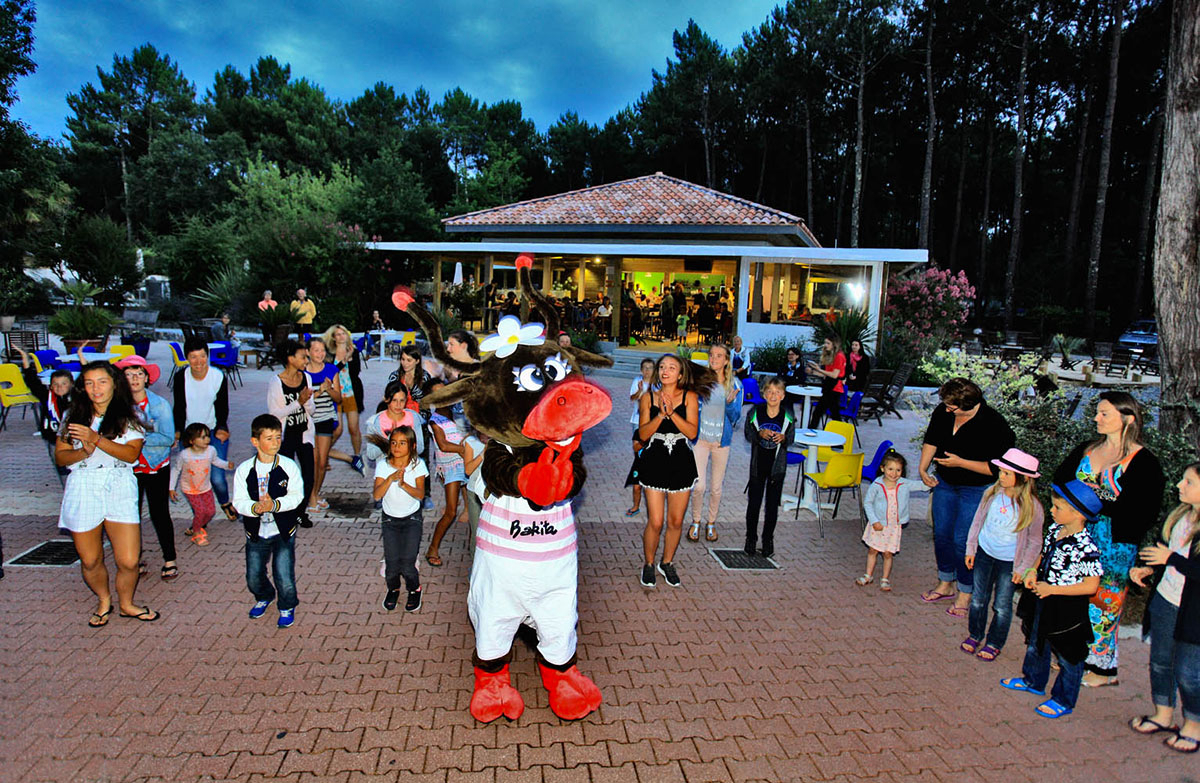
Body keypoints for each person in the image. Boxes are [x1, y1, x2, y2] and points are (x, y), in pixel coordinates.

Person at [1053, 390, 1165, 687]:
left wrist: (1092, 499)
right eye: (1097, 412)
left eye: (1104, 414)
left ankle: (1103, 668)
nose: (1096, 418)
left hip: (1114, 544)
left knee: (1105, 604)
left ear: (1128, 419)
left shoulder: (1144, 462)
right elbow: (1061, 481)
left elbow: (1142, 510)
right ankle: (1072, 655)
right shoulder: (1087, 450)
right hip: (1076, 537)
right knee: (1072, 597)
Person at [56, 361, 157, 626]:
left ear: (114, 384)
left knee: (129, 560)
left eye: (102, 381)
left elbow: (131, 454)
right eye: (89, 383)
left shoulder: (130, 414)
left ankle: (127, 604)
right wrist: (83, 451)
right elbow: (61, 457)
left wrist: (96, 439)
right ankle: (104, 600)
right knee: (90, 560)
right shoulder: (72, 415)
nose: (96, 388)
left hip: (119, 484)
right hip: (83, 485)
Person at [1002, 479, 1104, 719]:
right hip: (1043, 598)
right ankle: (1033, 680)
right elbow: (1043, 554)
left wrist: (1054, 590)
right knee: (1037, 641)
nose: (1052, 510)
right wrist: (1032, 571)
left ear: (1078, 514)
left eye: (1057, 507)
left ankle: (1063, 699)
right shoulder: (1055, 530)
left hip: (1067, 607)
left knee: (1069, 655)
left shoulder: (1086, 547)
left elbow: (1091, 585)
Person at [919, 377, 1015, 618]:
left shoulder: (993, 423)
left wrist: (961, 462)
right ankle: (945, 582)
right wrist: (923, 469)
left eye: (952, 407)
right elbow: (931, 439)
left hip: (976, 488)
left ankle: (965, 591)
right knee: (942, 534)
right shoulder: (944, 411)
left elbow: (997, 469)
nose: (946, 410)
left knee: (963, 540)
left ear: (968, 405)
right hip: (945, 483)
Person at [1129, 461, 1200, 752]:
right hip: (1166, 600)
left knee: (1188, 672)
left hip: (1193, 614)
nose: (1180, 485)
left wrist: (1171, 559)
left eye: (1189, 482)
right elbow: (1164, 553)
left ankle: (1193, 725)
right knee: (1160, 661)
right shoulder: (1178, 516)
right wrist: (1148, 569)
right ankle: (1163, 714)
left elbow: (1184, 563)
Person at [962, 448, 1046, 661]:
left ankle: (994, 642)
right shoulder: (991, 494)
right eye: (1001, 471)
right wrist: (971, 547)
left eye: (1007, 473)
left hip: (1009, 563)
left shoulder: (1033, 507)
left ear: (1024, 478)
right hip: (984, 554)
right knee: (978, 599)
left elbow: (1035, 541)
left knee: (1001, 605)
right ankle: (975, 634)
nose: (1001, 476)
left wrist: (1023, 568)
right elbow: (977, 521)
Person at [231, 413, 306, 628]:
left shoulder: (288, 466)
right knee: (253, 575)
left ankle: (287, 605)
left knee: (284, 574)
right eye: (269, 438)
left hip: (283, 531)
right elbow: (239, 501)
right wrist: (254, 508)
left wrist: (275, 505)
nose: (275, 443)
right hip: (256, 532)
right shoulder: (245, 470)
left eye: (278, 437)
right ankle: (264, 595)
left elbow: (297, 496)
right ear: (255, 441)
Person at [637, 354, 703, 589]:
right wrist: (660, 415)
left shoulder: (689, 397)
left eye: (672, 367)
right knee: (656, 521)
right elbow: (643, 435)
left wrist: (672, 413)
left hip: (681, 460)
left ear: (680, 374)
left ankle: (667, 562)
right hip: (655, 458)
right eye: (662, 367)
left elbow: (692, 433)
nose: (665, 371)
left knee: (675, 521)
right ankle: (648, 564)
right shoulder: (647, 398)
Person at [116, 355, 177, 580]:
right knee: (130, 514)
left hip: (154, 465)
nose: (134, 379)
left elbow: (168, 437)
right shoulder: (117, 404)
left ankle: (170, 558)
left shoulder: (159, 404)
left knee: (159, 513)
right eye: (128, 375)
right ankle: (135, 557)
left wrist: (136, 439)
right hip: (128, 467)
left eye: (139, 374)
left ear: (146, 378)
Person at [172, 339, 235, 520]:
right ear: (187, 358)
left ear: (207, 356)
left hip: (212, 431)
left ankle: (225, 502)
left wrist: (222, 427)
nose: (198, 362)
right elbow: (179, 407)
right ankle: (200, 515)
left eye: (202, 356)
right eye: (193, 357)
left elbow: (222, 407)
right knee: (194, 479)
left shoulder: (218, 376)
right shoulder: (181, 377)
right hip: (189, 434)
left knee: (217, 478)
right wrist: (177, 431)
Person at [688, 344, 743, 543]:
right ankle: (696, 521)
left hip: (721, 442)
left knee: (716, 488)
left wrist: (729, 404)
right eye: (711, 355)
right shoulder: (701, 381)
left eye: (719, 356)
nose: (714, 359)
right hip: (701, 440)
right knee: (699, 486)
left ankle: (711, 522)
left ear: (727, 360)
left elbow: (735, 417)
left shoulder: (735, 384)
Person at [372, 425, 428, 613]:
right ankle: (393, 589)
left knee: (408, 562)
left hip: (412, 519)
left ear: (412, 446)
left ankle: (414, 589)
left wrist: (403, 484)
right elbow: (377, 495)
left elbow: (420, 494)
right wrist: (389, 479)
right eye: (394, 443)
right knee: (392, 562)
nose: (397, 447)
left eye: (402, 443)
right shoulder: (383, 465)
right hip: (390, 521)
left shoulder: (418, 465)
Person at [743, 377, 795, 559]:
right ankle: (750, 538)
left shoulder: (788, 415)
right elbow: (748, 434)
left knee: (772, 507)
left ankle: (768, 540)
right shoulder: (755, 412)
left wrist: (784, 438)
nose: (773, 396)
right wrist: (759, 434)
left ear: (783, 395)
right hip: (758, 466)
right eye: (770, 392)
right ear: (764, 394)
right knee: (754, 505)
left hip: (777, 468)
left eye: (777, 392)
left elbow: (792, 438)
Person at [267, 340, 316, 527]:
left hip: (304, 433)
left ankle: (300, 512)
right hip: (285, 436)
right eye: (303, 357)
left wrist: (307, 402)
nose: (306, 360)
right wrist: (298, 402)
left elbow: (311, 410)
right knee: (285, 478)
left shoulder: (306, 378)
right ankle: (284, 512)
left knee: (308, 476)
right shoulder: (276, 382)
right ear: (290, 358)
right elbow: (275, 414)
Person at [305, 337, 353, 511]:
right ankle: (311, 497)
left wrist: (330, 388)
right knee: (312, 461)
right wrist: (320, 390)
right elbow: (302, 400)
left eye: (322, 350)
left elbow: (339, 398)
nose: (320, 354)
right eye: (316, 350)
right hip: (308, 421)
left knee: (322, 462)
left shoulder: (332, 370)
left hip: (325, 418)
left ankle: (316, 493)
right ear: (308, 352)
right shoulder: (303, 372)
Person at [15, 346, 73, 485]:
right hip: (52, 437)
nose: (59, 387)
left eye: (64, 384)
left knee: (73, 466)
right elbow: (32, 381)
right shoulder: (47, 397)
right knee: (60, 466)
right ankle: (65, 488)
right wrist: (25, 360)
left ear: (71, 384)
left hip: (73, 439)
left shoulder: (76, 399)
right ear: (50, 386)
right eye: (55, 384)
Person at [858, 451, 915, 591]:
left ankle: (885, 579)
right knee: (873, 550)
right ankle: (868, 575)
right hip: (878, 525)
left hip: (893, 527)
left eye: (898, 470)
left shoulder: (903, 484)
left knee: (888, 553)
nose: (894, 474)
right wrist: (874, 520)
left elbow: (921, 485)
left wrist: (931, 481)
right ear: (883, 468)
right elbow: (868, 503)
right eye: (890, 469)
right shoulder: (877, 485)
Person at [170, 423, 231, 546]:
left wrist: (226, 465)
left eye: (208, 436)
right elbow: (176, 470)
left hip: (205, 488)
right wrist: (171, 488)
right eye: (202, 437)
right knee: (200, 511)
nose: (207, 439)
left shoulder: (211, 451)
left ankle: (195, 526)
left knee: (211, 511)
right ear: (191, 441)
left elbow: (216, 461)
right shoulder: (185, 454)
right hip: (190, 489)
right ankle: (196, 534)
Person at [423, 410, 466, 567]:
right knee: (451, 512)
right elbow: (443, 445)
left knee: (473, 508)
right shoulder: (435, 420)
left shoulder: (459, 412)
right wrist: (463, 449)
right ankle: (432, 548)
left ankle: (474, 548)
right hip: (451, 467)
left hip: (467, 463)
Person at [322, 324, 365, 475]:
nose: (341, 336)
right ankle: (323, 452)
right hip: (335, 394)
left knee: (354, 428)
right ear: (333, 338)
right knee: (338, 430)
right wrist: (345, 359)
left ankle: (357, 456)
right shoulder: (329, 354)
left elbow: (356, 372)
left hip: (351, 393)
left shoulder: (354, 351)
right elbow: (331, 372)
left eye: (343, 333)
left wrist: (350, 356)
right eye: (338, 334)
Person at [364, 381, 426, 465]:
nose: (398, 405)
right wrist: (388, 439)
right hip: (385, 469)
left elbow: (420, 448)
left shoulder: (413, 418)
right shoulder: (375, 422)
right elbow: (371, 454)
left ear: (406, 400)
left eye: (402, 400)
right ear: (386, 399)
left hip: (409, 468)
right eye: (394, 400)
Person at [625, 358, 656, 517]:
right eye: (645, 368)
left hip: (653, 424)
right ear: (641, 370)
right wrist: (639, 391)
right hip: (637, 422)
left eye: (650, 368)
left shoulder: (658, 384)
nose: (647, 371)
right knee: (639, 454)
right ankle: (636, 503)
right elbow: (632, 398)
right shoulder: (637, 381)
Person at [806, 335, 846, 427]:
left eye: (828, 343)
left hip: (834, 388)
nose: (825, 345)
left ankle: (811, 430)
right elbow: (826, 374)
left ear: (834, 344)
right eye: (825, 343)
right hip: (829, 386)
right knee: (832, 413)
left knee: (820, 412)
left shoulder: (839, 356)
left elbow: (834, 375)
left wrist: (818, 369)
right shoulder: (831, 356)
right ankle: (840, 431)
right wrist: (812, 372)